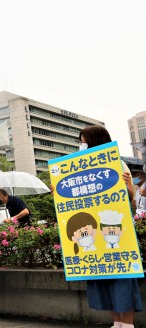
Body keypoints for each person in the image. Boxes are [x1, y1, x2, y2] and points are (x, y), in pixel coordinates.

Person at [76, 125, 141, 328]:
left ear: (95, 141)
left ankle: (127, 325)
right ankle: (117, 323)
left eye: (84, 140)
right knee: (104, 278)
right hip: (97, 233)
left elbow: (132, 203)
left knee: (123, 278)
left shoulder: (118, 165)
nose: (81, 145)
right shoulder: (80, 169)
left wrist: (127, 186)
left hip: (118, 231)